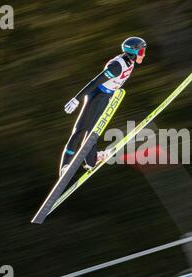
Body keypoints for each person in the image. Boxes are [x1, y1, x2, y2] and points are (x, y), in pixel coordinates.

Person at [59, 36, 147, 176]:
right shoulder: (118, 66)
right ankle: (65, 166)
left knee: (93, 131)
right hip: (97, 95)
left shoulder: (130, 61)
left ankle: (91, 160)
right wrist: (76, 99)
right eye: (141, 52)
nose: (143, 55)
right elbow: (95, 81)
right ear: (133, 52)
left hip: (105, 97)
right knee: (81, 130)